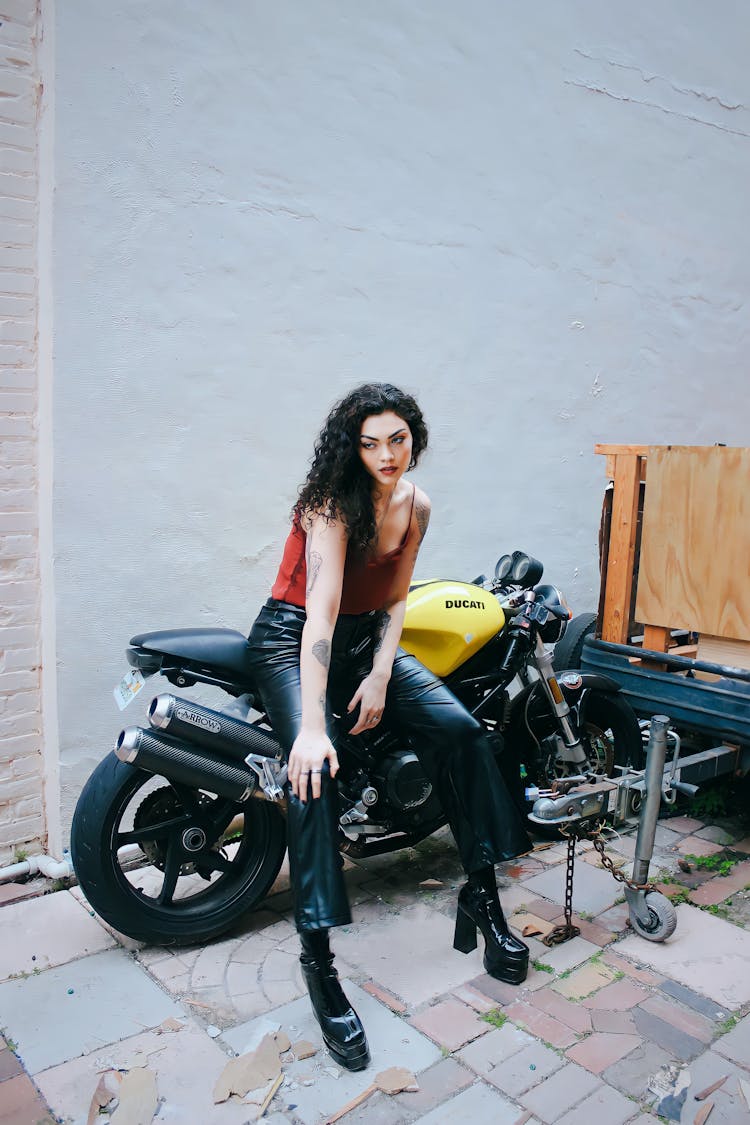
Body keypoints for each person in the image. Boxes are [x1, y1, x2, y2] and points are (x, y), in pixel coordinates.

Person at [247, 383, 531, 1072]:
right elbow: (317, 616)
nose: (385, 454)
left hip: (366, 643)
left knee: (462, 732)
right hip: (292, 641)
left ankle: (484, 901)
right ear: (352, 445)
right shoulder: (329, 505)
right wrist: (312, 726)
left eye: (397, 439)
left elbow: (399, 596)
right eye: (370, 441)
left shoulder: (415, 504)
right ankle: (319, 961)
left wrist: (379, 673)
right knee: (313, 772)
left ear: (415, 437)